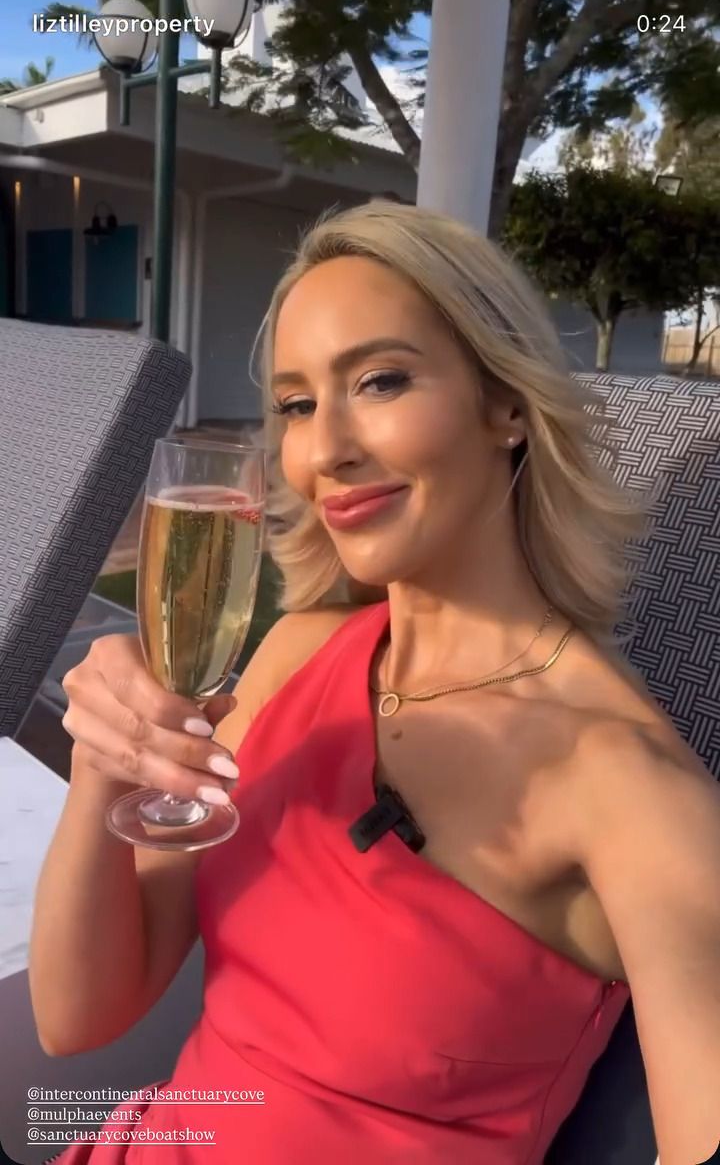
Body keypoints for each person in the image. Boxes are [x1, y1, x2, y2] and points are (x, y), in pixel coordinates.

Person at [31, 201, 720, 1165]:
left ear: (506, 404)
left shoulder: (628, 788)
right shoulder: (295, 657)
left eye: (381, 380)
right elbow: (78, 1016)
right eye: (298, 405)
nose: (324, 452)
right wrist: (105, 766)